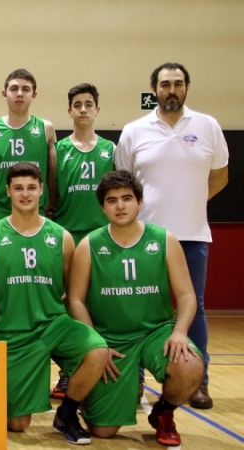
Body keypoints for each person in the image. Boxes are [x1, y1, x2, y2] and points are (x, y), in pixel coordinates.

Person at [115, 62, 229, 409]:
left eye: (178, 83)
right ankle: (132, 382)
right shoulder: (134, 131)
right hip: (143, 238)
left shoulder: (208, 126)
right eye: (165, 84)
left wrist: (190, 203)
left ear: (187, 87)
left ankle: (198, 383)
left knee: (195, 308)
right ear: (154, 90)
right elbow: (123, 182)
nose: (172, 90)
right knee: (135, 309)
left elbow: (220, 177)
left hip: (192, 235)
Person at [0, 162, 107, 444]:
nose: (25, 194)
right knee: (18, 424)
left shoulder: (61, 237)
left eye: (31, 187)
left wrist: (64, 314)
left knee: (98, 351)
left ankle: (67, 413)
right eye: (18, 188)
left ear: (42, 190)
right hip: (16, 334)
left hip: (54, 324)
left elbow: (73, 289)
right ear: (7, 191)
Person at [68, 171, 204, 446]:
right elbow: (76, 300)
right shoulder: (89, 245)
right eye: (112, 200)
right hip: (112, 339)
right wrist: (96, 345)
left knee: (189, 364)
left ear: (139, 202)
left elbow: (187, 295)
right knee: (103, 430)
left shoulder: (164, 240)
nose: (120, 206)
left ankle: (163, 412)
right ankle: (96, 399)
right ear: (103, 207)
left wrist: (179, 332)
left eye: (127, 198)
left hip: (156, 332)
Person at [50, 83, 115, 399]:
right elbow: (52, 195)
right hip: (69, 236)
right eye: (78, 104)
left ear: (97, 110)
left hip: (101, 237)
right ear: (70, 111)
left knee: (100, 303)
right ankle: (68, 372)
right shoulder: (58, 150)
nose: (83, 109)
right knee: (67, 305)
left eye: (89, 104)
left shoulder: (111, 150)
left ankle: (107, 364)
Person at [0, 69, 57, 225]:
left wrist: (52, 205)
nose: (19, 94)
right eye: (14, 89)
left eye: (26, 89)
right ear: (4, 94)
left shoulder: (46, 128)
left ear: (34, 95)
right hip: (0, 212)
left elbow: (53, 175)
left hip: (36, 212)